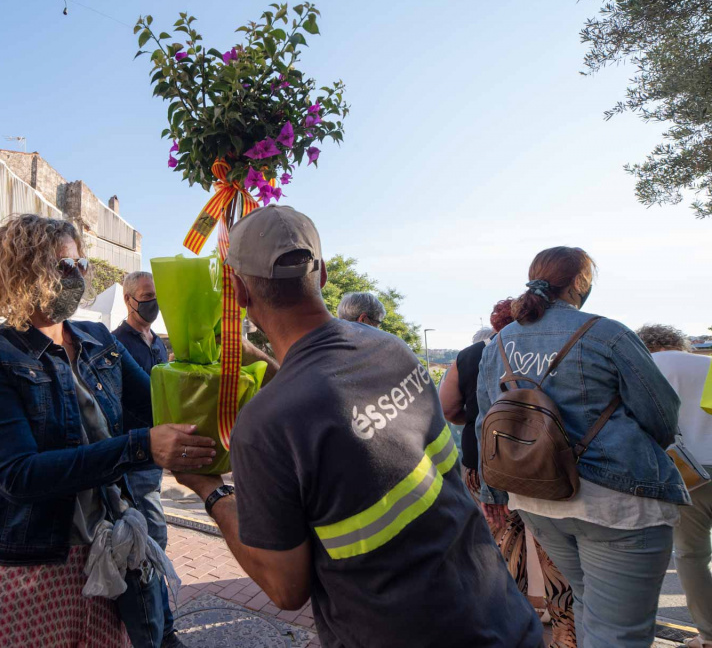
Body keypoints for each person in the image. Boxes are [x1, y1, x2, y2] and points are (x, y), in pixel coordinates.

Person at [172, 206, 541, 647]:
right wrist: (271, 368)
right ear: (323, 274)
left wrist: (206, 487)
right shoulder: (392, 350)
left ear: (236, 290)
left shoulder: (266, 425)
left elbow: (285, 589)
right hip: (500, 616)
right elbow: (333, 400)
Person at [0, 213, 212, 648]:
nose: (78, 277)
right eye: (63, 267)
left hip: (104, 557)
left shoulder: (96, 339)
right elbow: (18, 475)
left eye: (80, 266)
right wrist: (139, 446)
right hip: (24, 565)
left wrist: (210, 352)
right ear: (21, 274)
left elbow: (154, 406)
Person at [476, 247, 685, 648]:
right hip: (615, 503)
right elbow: (661, 413)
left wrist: (493, 492)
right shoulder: (607, 333)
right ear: (580, 282)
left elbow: (488, 423)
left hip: (535, 496)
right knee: (621, 632)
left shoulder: (499, 344)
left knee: (588, 603)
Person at [440, 298, 576, 647]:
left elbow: (448, 408)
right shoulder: (551, 347)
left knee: (500, 542)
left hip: (486, 463)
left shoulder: (469, 356)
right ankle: (566, 631)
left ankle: (510, 622)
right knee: (552, 547)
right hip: (542, 464)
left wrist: (473, 423)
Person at [113, 271, 180, 648]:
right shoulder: (115, 344)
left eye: (157, 296)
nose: (153, 303)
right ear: (128, 300)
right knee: (153, 543)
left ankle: (159, 630)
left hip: (155, 463)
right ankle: (163, 634)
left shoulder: (158, 343)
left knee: (152, 546)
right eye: (146, 296)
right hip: (135, 457)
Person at [636, 324, 712, 648]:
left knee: (691, 554)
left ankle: (708, 634)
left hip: (685, 475)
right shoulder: (706, 364)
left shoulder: (642, 369)